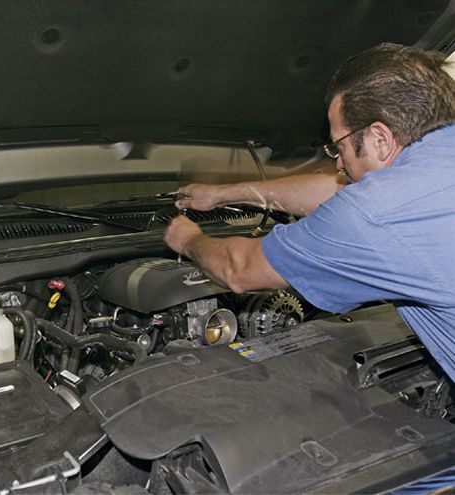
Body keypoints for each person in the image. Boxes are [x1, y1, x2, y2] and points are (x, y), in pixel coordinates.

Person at [163, 43, 455, 381]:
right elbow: (341, 191)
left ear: (380, 138)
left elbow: (239, 269)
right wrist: (223, 194)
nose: (338, 161)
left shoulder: (374, 215)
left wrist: (187, 239)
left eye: (339, 144)